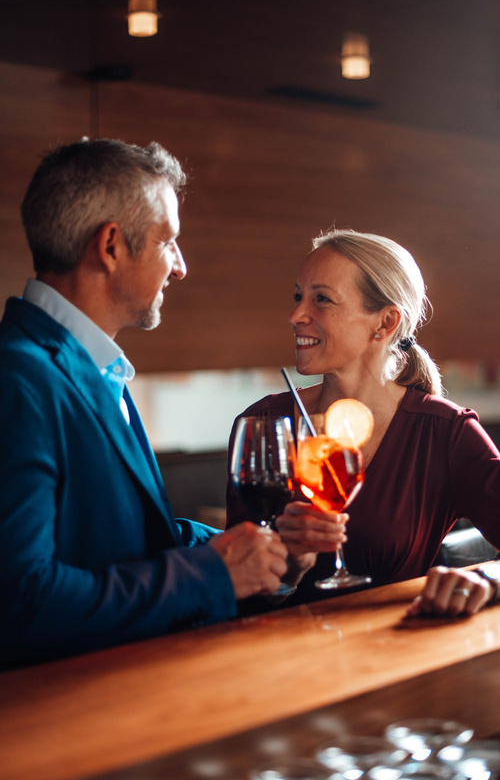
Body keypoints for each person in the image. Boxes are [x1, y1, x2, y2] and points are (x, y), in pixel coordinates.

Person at [0, 137, 292, 667]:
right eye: (167, 241)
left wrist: (257, 544)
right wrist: (213, 573)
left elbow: (129, 537)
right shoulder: (18, 378)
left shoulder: (98, 368)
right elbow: (19, 602)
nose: (178, 267)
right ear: (111, 246)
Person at [226, 229, 500, 607]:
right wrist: (286, 568)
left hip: (392, 656)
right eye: (298, 296)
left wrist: (484, 577)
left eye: (321, 299)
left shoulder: (446, 433)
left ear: (385, 323)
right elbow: (233, 594)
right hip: (275, 657)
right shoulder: (262, 424)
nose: (295, 316)